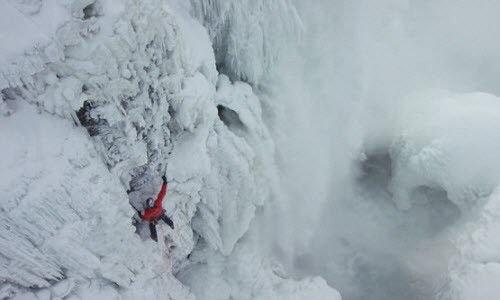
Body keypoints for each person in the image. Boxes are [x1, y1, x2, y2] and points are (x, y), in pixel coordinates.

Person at [139, 175, 175, 242]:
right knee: (163, 218)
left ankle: (154, 237)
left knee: (153, 224)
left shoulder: (148, 211)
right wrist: (165, 183)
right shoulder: (157, 203)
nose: (152, 203)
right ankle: (171, 225)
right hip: (159, 215)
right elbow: (162, 193)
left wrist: (140, 214)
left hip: (156, 217)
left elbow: (145, 218)